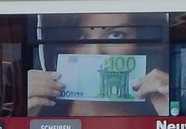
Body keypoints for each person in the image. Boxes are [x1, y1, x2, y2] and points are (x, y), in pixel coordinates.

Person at [28, 13, 170, 116]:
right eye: (79, 36)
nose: (95, 52)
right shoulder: (39, 108)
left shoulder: (160, 104)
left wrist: (171, 119)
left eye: (116, 35)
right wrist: (22, 116)